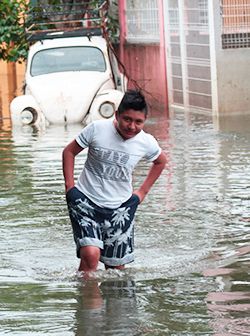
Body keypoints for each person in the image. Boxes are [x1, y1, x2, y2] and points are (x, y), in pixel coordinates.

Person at [62, 89, 166, 275]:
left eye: (138, 122)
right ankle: (88, 302)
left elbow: (160, 161)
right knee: (91, 254)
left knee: (115, 270)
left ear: (144, 121)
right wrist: (70, 187)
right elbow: (69, 152)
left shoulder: (146, 142)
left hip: (121, 208)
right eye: (127, 119)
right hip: (86, 201)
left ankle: (106, 301)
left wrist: (142, 193)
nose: (131, 126)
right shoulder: (97, 129)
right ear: (117, 115)